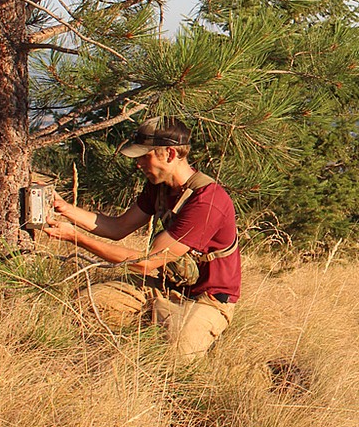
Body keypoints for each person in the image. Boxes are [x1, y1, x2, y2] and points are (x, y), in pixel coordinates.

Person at [44, 116, 240, 361]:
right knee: (85, 304)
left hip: (207, 301)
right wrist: (65, 209)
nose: (138, 164)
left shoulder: (207, 200)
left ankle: (200, 337)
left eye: (143, 156)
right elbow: (117, 228)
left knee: (172, 362)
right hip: (163, 289)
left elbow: (147, 262)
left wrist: (75, 238)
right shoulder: (159, 187)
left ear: (169, 154)